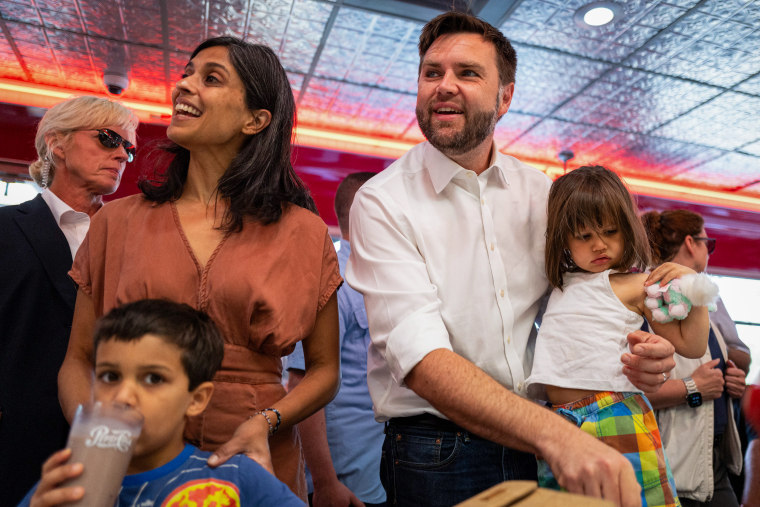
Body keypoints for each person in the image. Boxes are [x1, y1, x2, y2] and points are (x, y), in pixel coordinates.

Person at [346, 11, 676, 507]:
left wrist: (642, 355)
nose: (445, 86)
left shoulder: (541, 192)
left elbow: (579, 303)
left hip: (547, 435)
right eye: (432, 73)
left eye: (468, 73)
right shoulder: (382, 201)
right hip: (439, 451)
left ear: (505, 97)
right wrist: (556, 435)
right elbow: (419, 358)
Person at [57, 36, 342, 499]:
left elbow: (325, 369)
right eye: (187, 73)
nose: (184, 86)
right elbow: (77, 359)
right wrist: (100, 441)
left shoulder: (305, 232)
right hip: (132, 457)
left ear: (256, 119)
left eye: (210, 78)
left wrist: (265, 423)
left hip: (253, 454)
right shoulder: (116, 222)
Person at [525, 166, 713, 507]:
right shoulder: (556, 284)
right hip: (557, 421)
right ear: (562, 238)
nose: (599, 244)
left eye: (610, 232)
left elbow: (692, 344)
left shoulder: (636, 284)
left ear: (626, 229)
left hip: (615, 412)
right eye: (583, 236)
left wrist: (696, 285)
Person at [19, 299, 304, 506]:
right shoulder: (64, 485)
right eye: (110, 375)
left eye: (153, 379)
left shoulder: (236, 480)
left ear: (196, 399)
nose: (122, 396)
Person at [0, 95, 138, 507]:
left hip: (116, 443)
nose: (122, 155)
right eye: (109, 138)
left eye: (128, 148)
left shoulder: (133, 240)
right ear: (57, 143)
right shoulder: (5, 230)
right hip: (16, 445)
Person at [288, 172, 386, 507]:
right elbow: (301, 385)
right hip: (343, 480)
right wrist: (326, 482)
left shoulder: (377, 280)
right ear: (368, 214)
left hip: (376, 467)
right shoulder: (332, 281)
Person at [642, 209, 745, 507]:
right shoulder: (654, 297)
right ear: (691, 243)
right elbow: (626, 390)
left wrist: (730, 382)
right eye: (707, 243)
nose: (708, 252)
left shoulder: (701, 297)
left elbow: (707, 369)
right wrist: (692, 388)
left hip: (714, 462)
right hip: (672, 465)